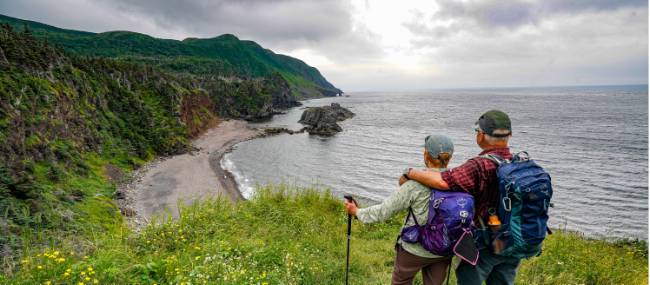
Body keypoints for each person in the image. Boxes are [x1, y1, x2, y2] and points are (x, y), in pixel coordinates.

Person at [403, 110, 518, 285]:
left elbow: (443, 181)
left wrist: (410, 172)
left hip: (485, 242)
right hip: (513, 241)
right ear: (509, 134)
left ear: (481, 135)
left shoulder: (479, 165)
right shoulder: (517, 162)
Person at [344, 134, 455, 285]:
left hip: (413, 248)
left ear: (426, 155)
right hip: (443, 248)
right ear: (449, 158)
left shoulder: (414, 185)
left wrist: (356, 211)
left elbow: (384, 211)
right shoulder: (458, 183)